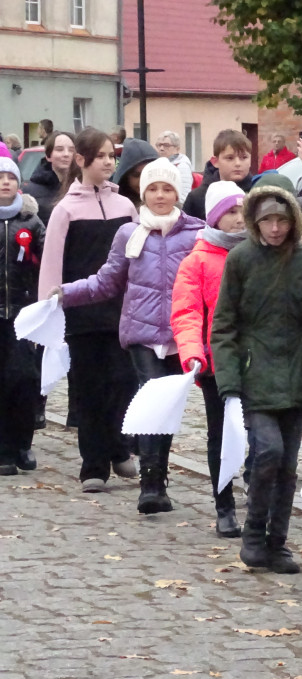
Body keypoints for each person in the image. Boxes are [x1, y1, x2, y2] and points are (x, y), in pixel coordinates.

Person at [52, 158, 204, 513]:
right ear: (143, 192)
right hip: (142, 333)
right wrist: (66, 292)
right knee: (152, 399)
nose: (160, 195)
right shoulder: (129, 234)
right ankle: (150, 483)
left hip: (181, 334)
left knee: (167, 408)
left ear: (177, 193)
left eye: (167, 189)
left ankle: (159, 476)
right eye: (153, 188)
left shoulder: (196, 232)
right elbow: (107, 281)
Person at [210, 178, 302, 573]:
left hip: (296, 376)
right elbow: (223, 325)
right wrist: (228, 381)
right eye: (266, 221)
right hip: (254, 374)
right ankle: (253, 533)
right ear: (254, 222)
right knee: (268, 453)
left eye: (281, 220)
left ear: (293, 220)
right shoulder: (240, 259)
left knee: (288, 464)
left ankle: (278, 542)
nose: (275, 228)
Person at [37, 127, 139, 493]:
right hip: (81, 314)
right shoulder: (65, 209)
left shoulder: (125, 207)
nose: (109, 162)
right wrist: (48, 311)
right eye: (101, 156)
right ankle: (93, 464)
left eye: (112, 155)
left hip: (120, 311)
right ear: (82, 161)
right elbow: (52, 264)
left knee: (124, 382)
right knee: (90, 389)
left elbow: (136, 259)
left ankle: (117, 446)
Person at [170, 181, 248, 537]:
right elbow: (186, 314)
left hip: (258, 359)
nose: (238, 219)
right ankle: (224, 504)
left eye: (242, 211)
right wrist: (192, 354)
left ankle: (259, 501)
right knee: (220, 434)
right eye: (230, 212)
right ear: (215, 217)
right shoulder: (197, 260)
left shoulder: (259, 254)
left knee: (259, 434)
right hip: (216, 364)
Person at [0, 155, 46, 475]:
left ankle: (22, 443)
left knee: (24, 379)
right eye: (0, 177)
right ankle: (3, 449)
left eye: (11, 177)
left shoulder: (31, 220)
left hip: (22, 313)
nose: (5, 182)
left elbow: (47, 259)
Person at [183, 130, 254, 220]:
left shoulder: (258, 193)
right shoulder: (197, 197)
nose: (238, 163)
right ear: (215, 161)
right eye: (230, 158)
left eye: (244, 157)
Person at [21, 131, 76, 225]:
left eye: (71, 150)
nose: (66, 154)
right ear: (48, 156)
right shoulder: (30, 191)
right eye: (59, 149)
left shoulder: (84, 187)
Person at [112, 138, 159, 210]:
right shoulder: (116, 210)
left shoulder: (174, 209)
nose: (142, 180)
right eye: (136, 175)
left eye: (148, 174)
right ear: (126, 177)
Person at [154, 130, 195, 204]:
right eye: (159, 145)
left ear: (177, 149)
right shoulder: (156, 164)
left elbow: (184, 196)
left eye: (166, 145)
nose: (161, 148)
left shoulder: (182, 166)